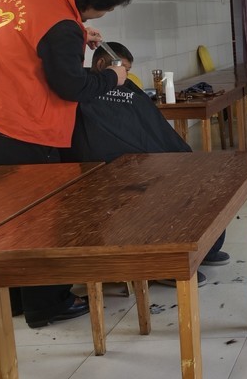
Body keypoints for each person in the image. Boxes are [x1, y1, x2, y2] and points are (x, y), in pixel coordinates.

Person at [0, 0, 134, 328]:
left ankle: (15, 296)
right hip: (16, 127)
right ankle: (46, 303)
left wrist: (77, 32)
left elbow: (27, 40)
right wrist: (113, 76)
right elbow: (72, 87)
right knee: (38, 216)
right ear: (91, 3)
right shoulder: (62, 25)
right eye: (104, 10)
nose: (101, 16)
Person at [62, 43, 230, 286]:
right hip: (114, 167)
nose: (125, 76)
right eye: (123, 69)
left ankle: (206, 248)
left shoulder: (128, 88)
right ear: (101, 64)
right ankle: (166, 264)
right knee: (164, 190)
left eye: (128, 71)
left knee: (200, 175)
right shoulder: (84, 90)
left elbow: (151, 126)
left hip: (143, 157)